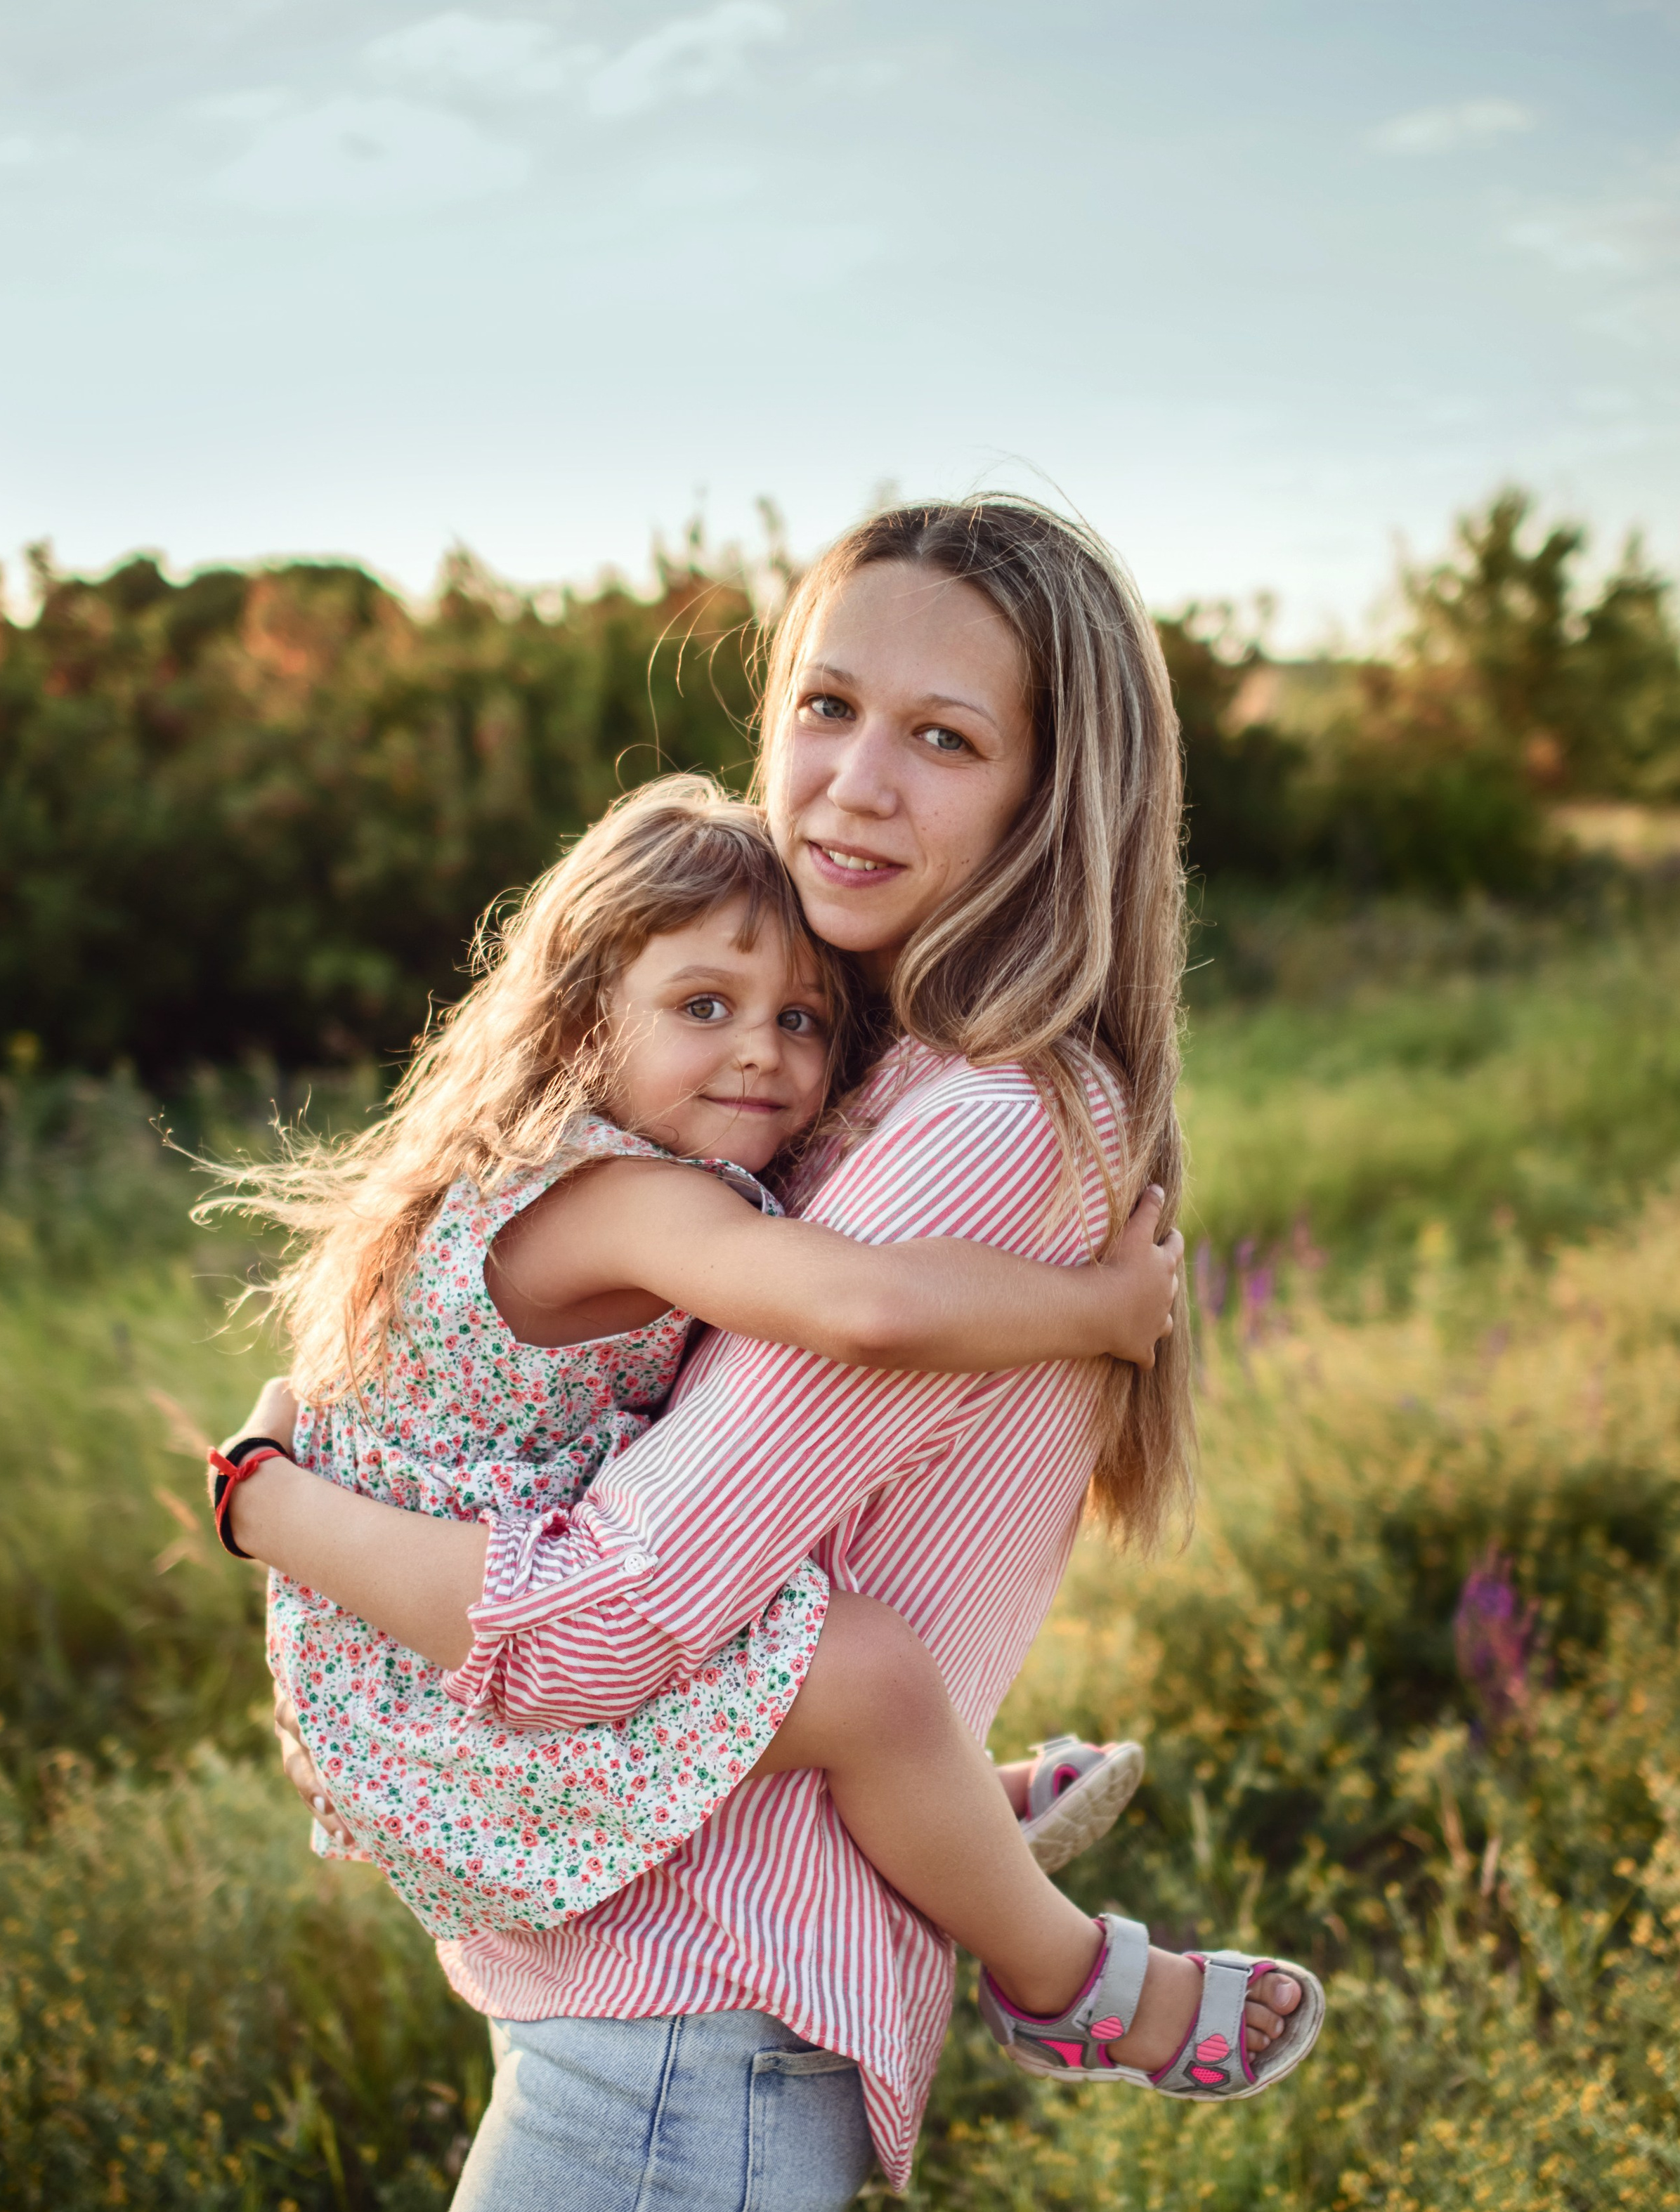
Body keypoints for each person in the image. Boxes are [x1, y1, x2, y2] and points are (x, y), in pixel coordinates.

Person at [216, 497, 1324, 2212]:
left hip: (680, 2040)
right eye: (825, 705)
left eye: (943, 739)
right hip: (694, 1999)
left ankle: (1069, 1962)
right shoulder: (850, 1063)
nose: (851, 779)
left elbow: (621, 1620)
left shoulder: (972, 1126)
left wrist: (269, 1505)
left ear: (1056, 791)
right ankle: (1036, 1920)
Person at [207, 775, 1180, 2027]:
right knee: (870, 1677)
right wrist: (1097, 1313)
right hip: (444, 1679)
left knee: (823, 1656)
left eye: (806, 1021)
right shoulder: (628, 1198)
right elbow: (865, 1309)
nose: (763, 1053)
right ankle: (1069, 1984)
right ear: (581, 1024)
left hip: (413, 1641)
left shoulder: (578, 1163)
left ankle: (957, 1808)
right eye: (704, 1007)